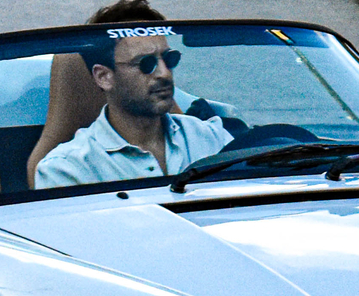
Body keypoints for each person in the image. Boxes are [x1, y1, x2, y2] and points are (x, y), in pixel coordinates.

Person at [34, 17, 233, 188]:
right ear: (104, 77)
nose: (164, 73)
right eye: (146, 64)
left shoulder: (212, 137)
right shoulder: (66, 169)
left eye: (169, 58)